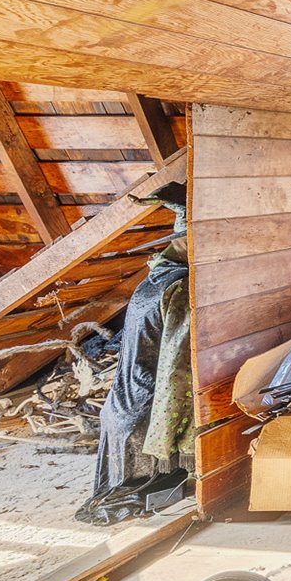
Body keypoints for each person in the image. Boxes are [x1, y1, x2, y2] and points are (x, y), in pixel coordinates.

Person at [77, 181, 194, 525]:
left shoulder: (156, 277)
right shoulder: (178, 289)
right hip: (144, 411)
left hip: (121, 404)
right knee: (145, 496)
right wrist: (178, 431)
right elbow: (176, 369)